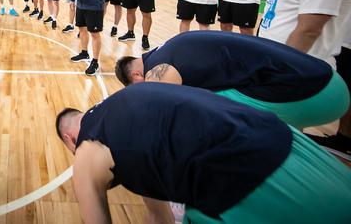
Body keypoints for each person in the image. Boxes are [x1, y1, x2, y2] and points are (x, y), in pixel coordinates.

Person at [56, 83, 351, 224]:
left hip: (252, 187)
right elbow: (158, 213)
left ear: (70, 139)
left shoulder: (85, 151)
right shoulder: (130, 105)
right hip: (300, 150)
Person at [116, 31, 349, 129]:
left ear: (137, 75)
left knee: (203, 110)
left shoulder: (159, 69)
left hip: (316, 95)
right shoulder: (165, 48)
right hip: (325, 77)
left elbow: (159, 112)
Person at [258, 0, 351, 155]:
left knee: (274, 139)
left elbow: (308, 30)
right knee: (281, 138)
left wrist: (281, 72)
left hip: (297, 72)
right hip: (296, 67)